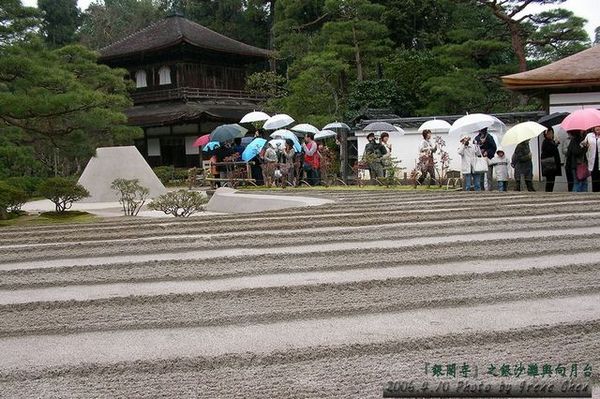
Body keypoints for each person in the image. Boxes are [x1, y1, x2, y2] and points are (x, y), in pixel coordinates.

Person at [540, 127, 562, 192]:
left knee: (552, 180)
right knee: (550, 180)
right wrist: (556, 145)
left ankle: (550, 192)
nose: (551, 135)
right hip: (548, 164)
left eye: (552, 133)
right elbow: (550, 150)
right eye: (549, 133)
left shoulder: (551, 141)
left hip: (552, 164)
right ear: (545, 135)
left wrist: (556, 144)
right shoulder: (545, 142)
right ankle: (548, 192)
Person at [582, 126, 600, 192]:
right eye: (596, 127)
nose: (598, 128)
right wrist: (585, 145)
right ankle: (595, 193)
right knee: (594, 178)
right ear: (593, 128)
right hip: (593, 161)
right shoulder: (589, 135)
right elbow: (582, 144)